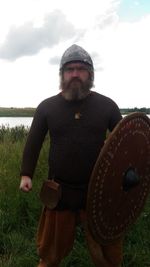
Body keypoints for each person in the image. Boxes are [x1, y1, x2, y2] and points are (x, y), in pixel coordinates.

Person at [19, 44, 123, 267]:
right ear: (62, 75)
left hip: (98, 192)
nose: (75, 74)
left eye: (81, 69)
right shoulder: (47, 107)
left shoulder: (107, 106)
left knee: (108, 257)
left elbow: (126, 143)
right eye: (70, 69)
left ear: (90, 74)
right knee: (50, 256)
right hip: (60, 192)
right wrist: (26, 174)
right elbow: (33, 143)